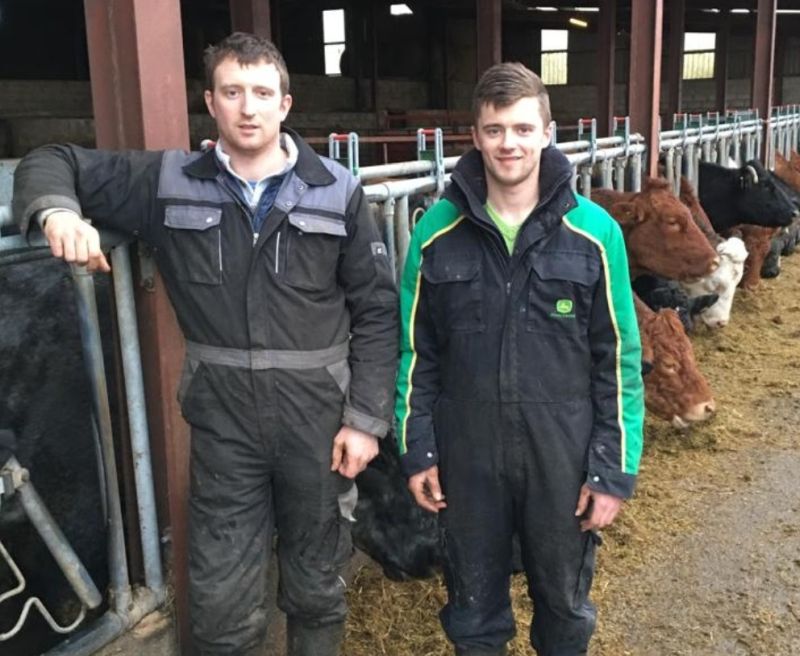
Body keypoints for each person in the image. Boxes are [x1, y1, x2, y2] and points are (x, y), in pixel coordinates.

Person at [12, 32, 397, 656]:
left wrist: (367, 420)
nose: (249, 107)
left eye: (262, 93)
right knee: (220, 607)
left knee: (318, 584)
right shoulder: (167, 181)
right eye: (233, 91)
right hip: (224, 425)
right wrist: (58, 213)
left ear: (286, 104)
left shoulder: (338, 191)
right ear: (211, 103)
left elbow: (377, 309)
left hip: (320, 423)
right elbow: (52, 159)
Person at [395, 62, 644, 656]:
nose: (510, 143)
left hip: (562, 454)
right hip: (467, 456)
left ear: (548, 133)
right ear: (475, 137)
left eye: (524, 128)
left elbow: (619, 360)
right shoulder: (435, 231)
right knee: (473, 611)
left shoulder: (594, 233)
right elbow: (414, 351)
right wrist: (418, 449)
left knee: (563, 607)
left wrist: (611, 469)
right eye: (495, 129)